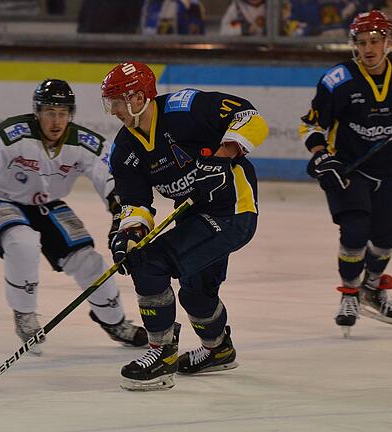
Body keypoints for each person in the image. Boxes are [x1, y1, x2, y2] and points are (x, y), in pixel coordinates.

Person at [0, 79, 148, 355]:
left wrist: (120, 213)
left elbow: (111, 177)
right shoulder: (12, 133)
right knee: (23, 242)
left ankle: (115, 322)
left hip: (47, 204)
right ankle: (25, 314)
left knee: (90, 261)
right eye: (50, 112)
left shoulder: (83, 142)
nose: (56, 121)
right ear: (37, 112)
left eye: (63, 113)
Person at [101, 62, 268, 390]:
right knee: (196, 293)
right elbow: (135, 203)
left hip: (233, 210)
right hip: (196, 214)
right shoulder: (124, 150)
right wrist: (130, 234)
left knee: (151, 264)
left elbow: (250, 117)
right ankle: (218, 350)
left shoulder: (184, 108)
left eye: (119, 101)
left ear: (139, 98)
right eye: (111, 102)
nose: (114, 110)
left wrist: (222, 156)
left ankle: (161, 354)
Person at [298, 10, 392, 337]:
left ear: (388, 41)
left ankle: (371, 287)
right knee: (354, 233)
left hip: (386, 168)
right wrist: (322, 156)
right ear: (353, 44)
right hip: (346, 169)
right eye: (362, 42)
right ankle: (350, 294)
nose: (368, 48)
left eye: (375, 41)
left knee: (387, 237)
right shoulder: (337, 81)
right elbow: (311, 124)